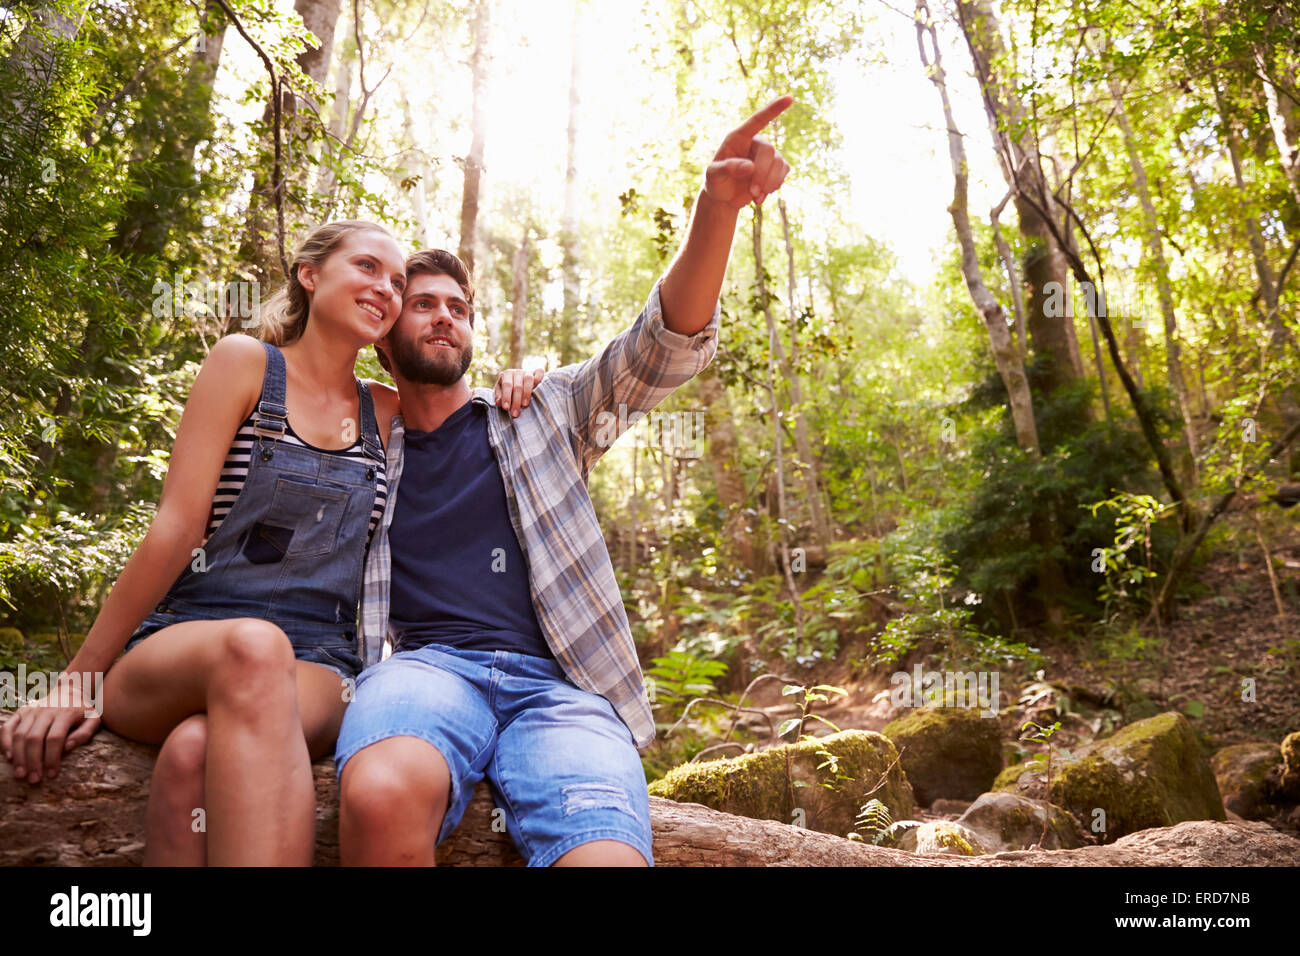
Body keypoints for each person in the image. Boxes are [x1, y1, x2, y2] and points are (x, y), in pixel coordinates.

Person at [335, 96, 794, 866]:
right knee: (380, 792)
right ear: (386, 338)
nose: (444, 316)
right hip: (427, 673)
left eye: (458, 306)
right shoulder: (359, 441)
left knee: (605, 858)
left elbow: (661, 347)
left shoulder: (541, 411)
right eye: (422, 305)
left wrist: (716, 210)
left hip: (563, 690)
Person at [0, 220, 541, 865]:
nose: (385, 289)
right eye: (367, 268)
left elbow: (458, 401)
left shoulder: (386, 411)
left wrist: (526, 373)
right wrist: (76, 679)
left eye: (397, 283)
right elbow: (175, 531)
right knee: (253, 648)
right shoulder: (245, 364)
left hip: (320, 665)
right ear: (310, 275)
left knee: (193, 753)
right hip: (181, 643)